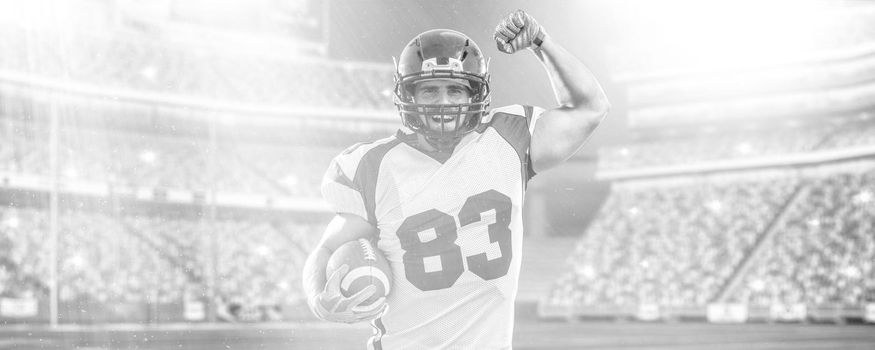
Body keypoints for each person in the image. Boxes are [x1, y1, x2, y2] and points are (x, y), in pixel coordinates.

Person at [302, 9, 610, 349]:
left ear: (475, 94)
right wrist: (319, 297)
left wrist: (542, 42)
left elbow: (591, 106)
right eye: (430, 91)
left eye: (455, 90)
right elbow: (328, 247)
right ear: (409, 96)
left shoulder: (509, 138)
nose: (444, 102)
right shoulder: (372, 166)